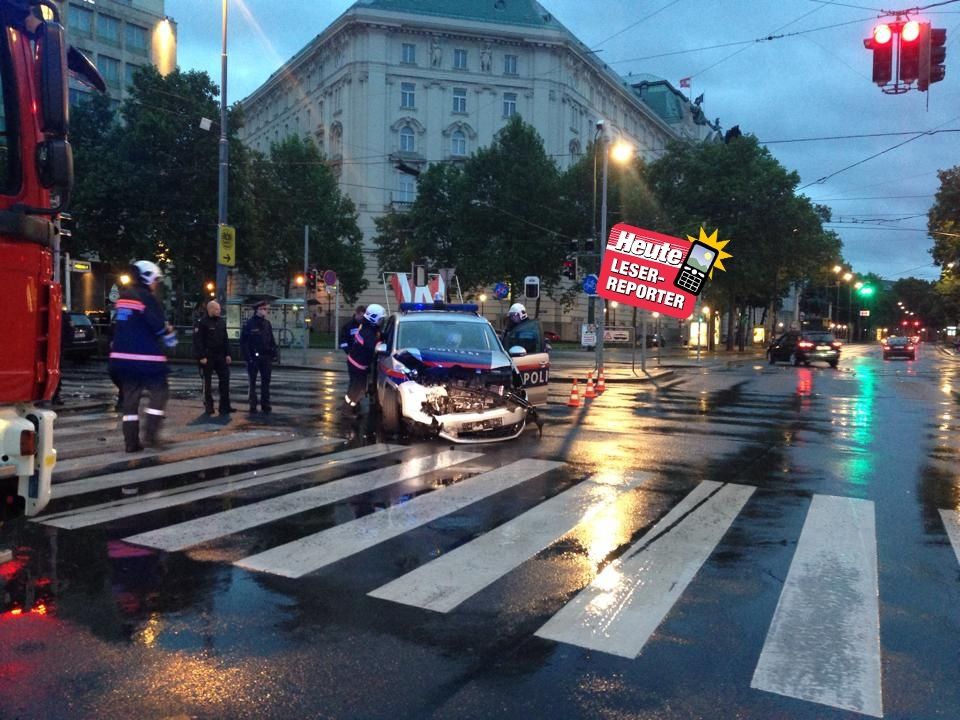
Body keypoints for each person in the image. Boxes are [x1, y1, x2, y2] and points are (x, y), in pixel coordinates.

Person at [108, 260, 177, 452]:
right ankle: (151, 436)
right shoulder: (147, 298)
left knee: (130, 400)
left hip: (120, 359)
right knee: (160, 392)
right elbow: (158, 327)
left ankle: (131, 442)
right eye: (155, 280)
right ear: (147, 277)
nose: (156, 284)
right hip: (146, 359)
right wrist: (170, 335)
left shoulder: (123, 297)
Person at [343, 303, 385, 418]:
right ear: (373, 318)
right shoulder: (368, 333)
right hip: (357, 365)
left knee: (357, 388)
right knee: (359, 389)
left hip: (356, 363)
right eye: (380, 319)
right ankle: (347, 410)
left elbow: (378, 337)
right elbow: (374, 347)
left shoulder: (368, 327)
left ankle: (350, 407)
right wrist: (382, 344)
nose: (382, 321)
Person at [193, 300, 234, 415]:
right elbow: (198, 341)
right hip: (208, 356)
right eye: (216, 309)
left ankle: (224, 406)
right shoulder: (202, 323)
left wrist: (228, 354)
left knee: (225, 380)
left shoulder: (221, 322)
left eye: (219, 309)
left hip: (220, 355)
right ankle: (209, 406)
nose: (219, 311)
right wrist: (201, 356)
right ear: (210, 309)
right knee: (207, 383)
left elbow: (225, 339)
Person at [240, 301, 277, 413]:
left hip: (266, 357)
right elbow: (244, 342)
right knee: (252, 382)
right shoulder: (249, 324)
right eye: (262, 308)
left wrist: (274, 353)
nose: (265, 310)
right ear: (257, 310)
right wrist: (248, 358)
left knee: (266, 381)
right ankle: (253, 404)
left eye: (265, 308)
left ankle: (265, 403)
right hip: (254, 357)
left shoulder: (267, 323)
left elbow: (271, 340)